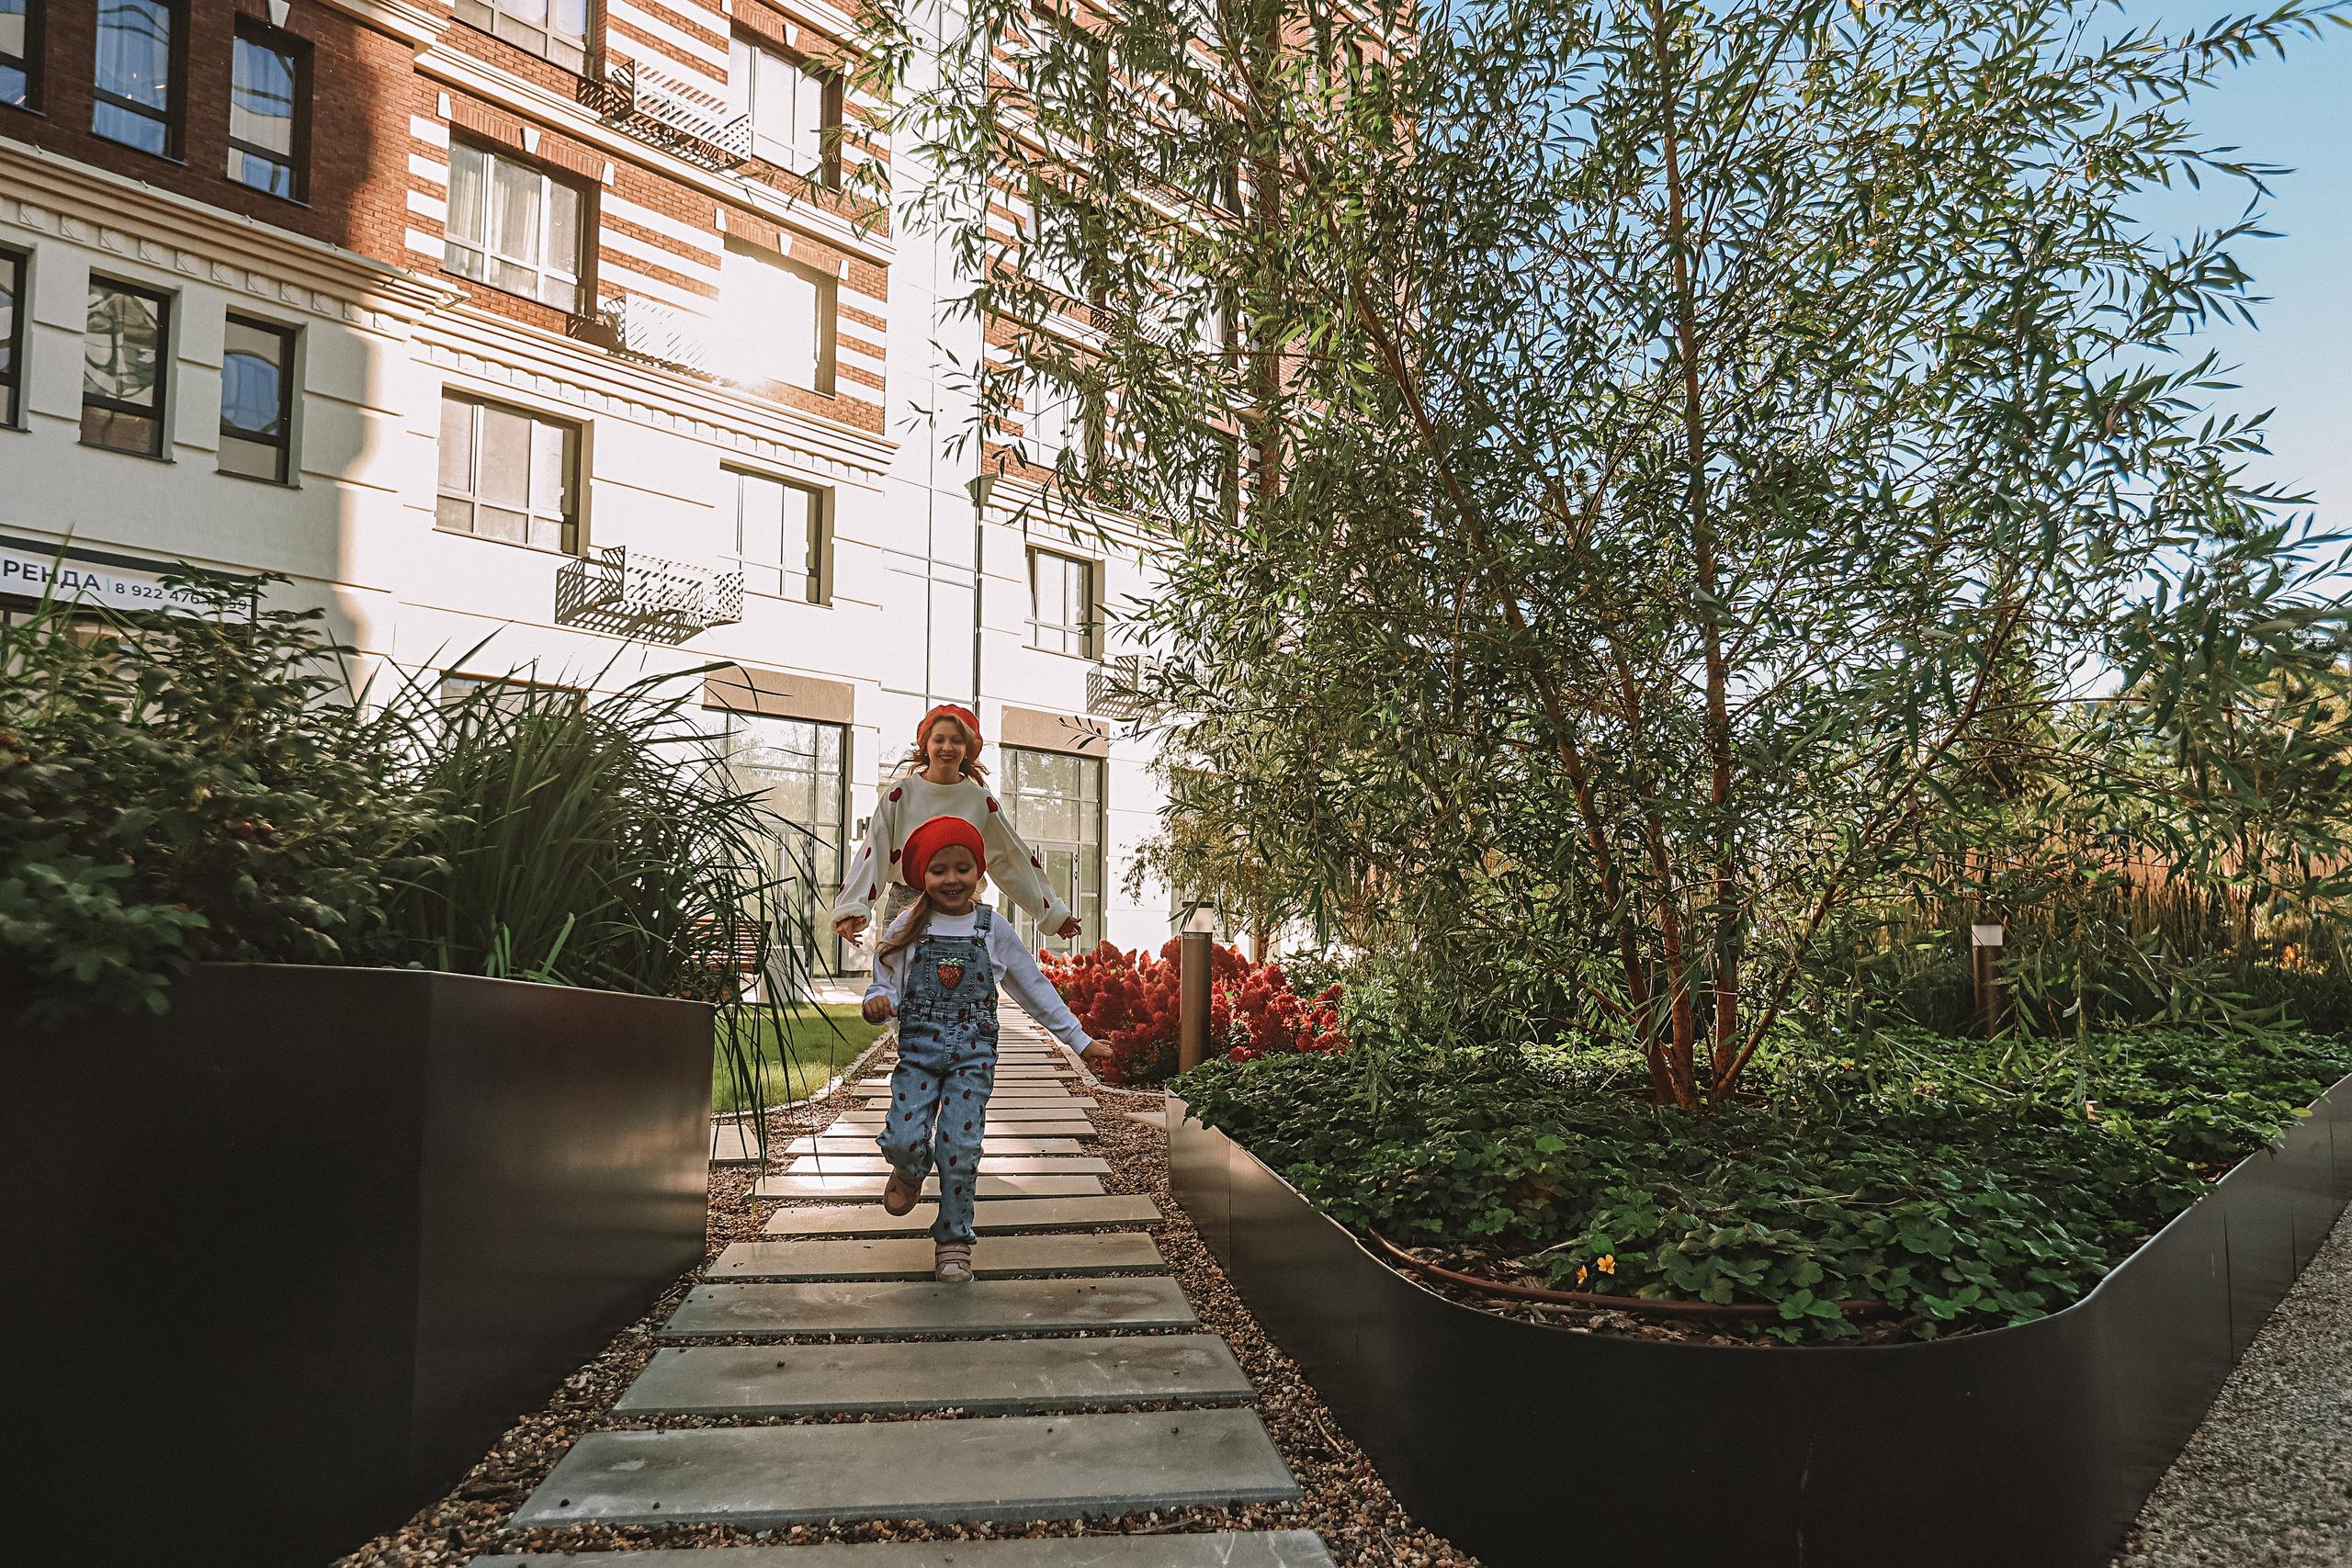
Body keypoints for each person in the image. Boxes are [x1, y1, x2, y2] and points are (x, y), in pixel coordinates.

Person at [865, 815, 1112, 1280]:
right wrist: (878, 1000)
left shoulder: (990, 927)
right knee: (903, 1137)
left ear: (978, 873)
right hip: (917, 1054)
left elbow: (1030, 984)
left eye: (962, 868)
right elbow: (886, 980)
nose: (952, 879)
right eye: (939, 870)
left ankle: (954, 1239)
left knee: (960, 1146)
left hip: (971, 1060)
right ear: (923, 876)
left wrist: (1078, 1038)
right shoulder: (908, 923)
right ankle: (910, 1168)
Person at [831, 705, 1085, 953]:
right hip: (906, 908)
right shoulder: (900, 795)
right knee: (897, 991)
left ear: (967, 749)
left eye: (956, 740)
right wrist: (852, 906)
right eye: (939, 739)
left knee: (966, 994)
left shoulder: (980, 801)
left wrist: (1051, 912)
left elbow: (1010, 859)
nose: (947, 747)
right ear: (926, 745)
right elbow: (874, 852)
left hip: (965, 910)